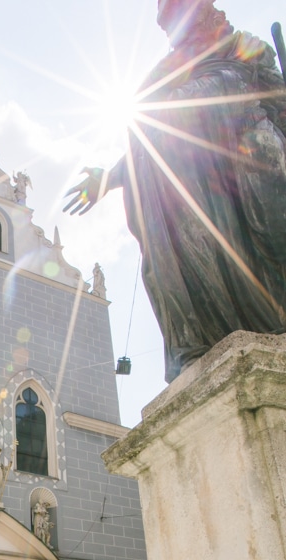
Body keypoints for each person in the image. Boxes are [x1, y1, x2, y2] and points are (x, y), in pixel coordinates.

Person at [64, 0, 286, 383]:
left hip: (249, 150)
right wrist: (110, 176)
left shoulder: (245, 46)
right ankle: (207, 336)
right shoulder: (165, 72)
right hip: (193, 183)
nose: (172, 32)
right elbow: (145, 139)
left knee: (272, 228)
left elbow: (277, 98)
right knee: (191, 246)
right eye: (169, 23)